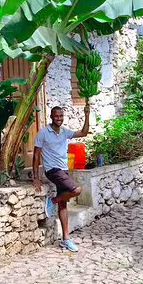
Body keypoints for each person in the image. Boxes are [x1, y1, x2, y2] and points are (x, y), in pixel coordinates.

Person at [33, 104, 90, 252]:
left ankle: (66, 239)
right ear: (51, 117)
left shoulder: (64, 132)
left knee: (63, 204)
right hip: (52, 170)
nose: (59, 118)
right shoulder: (43, 133)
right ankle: (52, 200)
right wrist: (36, 177)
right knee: (76, 189)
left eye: (61, 116)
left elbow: (83, 133)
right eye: (56, 116)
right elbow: (36, 155)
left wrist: (87, 114)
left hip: (63, 171)